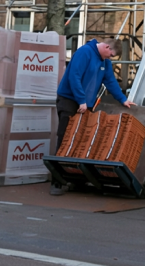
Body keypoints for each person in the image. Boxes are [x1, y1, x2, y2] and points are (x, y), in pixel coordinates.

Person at [52, 37, 135, 195]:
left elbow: (110, 81)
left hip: (85, 104)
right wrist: (81, 100)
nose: (110, 58)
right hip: (69, 100)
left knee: (81, 140)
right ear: (106, 47)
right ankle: (56, 182)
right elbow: (74, 77)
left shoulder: (105, 62)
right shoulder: (84, 53)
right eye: (111, 54)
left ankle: (75, 180)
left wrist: (123, 99)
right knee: (65, 139)